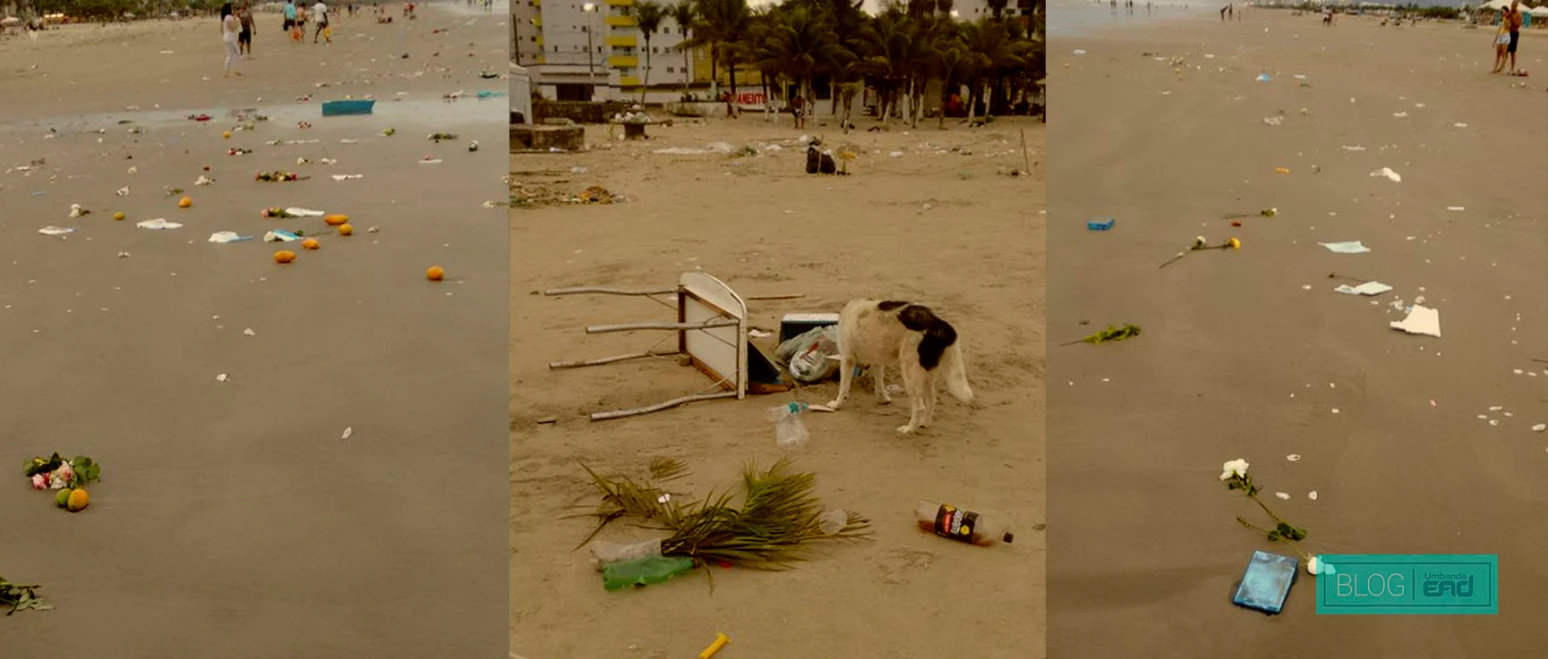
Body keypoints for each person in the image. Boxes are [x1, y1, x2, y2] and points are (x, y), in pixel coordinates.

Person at [220, 3, 242, 77]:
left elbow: (221, 29)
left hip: (226, 36)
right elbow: (232, 28)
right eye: (231, 8)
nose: (233, 10)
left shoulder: (224, 18)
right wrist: (236, 21)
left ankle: (228, 71)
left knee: (231, 54)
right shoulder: (229, 17)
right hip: (230, 36)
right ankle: (234, 70)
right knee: (236, 53)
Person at [1505, 0, 1524, 76]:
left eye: (1513, 6)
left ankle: (1512, 68)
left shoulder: (1519, 14)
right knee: (1505, 51)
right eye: (1511, 6)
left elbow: (1517, 25)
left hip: (1514, 33)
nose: (1512, 8)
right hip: (1507, 32)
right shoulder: (1510, 13)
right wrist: (1507, 15)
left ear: (1516, 6)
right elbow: (1505, 20)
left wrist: (1512, 18)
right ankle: (1503, 66)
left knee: (1512, 52)